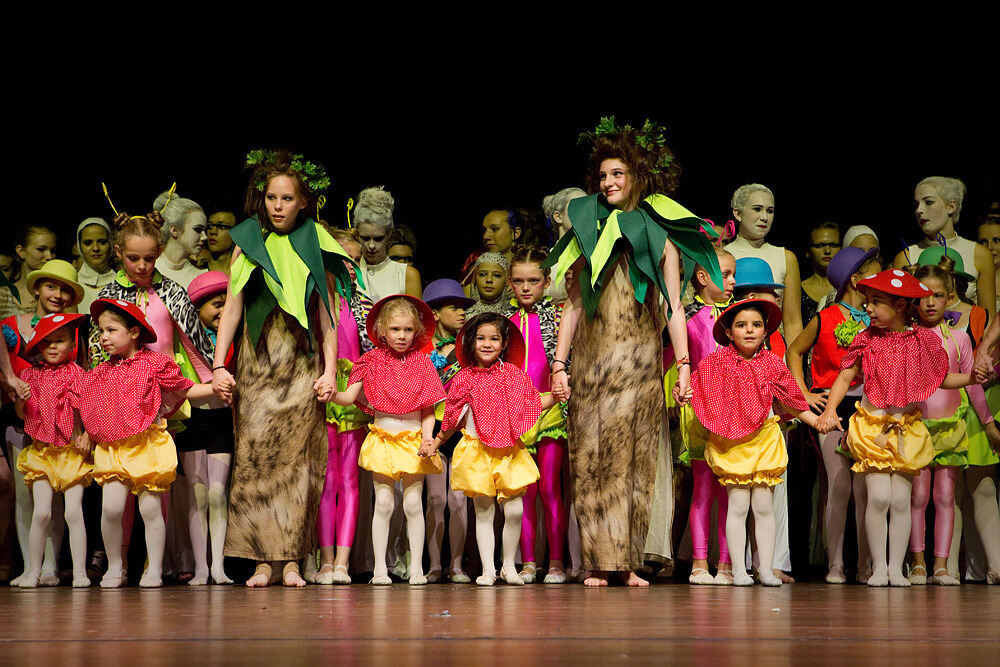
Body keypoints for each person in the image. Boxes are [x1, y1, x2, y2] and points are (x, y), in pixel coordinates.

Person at [546, 116, 721, 587]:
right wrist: (559, 364)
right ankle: (597, 562)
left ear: (638, 177)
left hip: (640, 361)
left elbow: (671, 307)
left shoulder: (659, 237)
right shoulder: (589, 233)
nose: (608, 183)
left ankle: (625, 562)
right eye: (602, 176)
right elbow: (574, 305)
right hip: (591, 361)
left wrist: (683, 369)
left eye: (617, 174)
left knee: (634, 460)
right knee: (591, 458)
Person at [211, 149, 352, 587]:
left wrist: (329, 371)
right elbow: (232, 310)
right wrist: (219, 365)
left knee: (297, 464)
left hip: (300, 365)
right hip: (258, 367)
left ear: (303, 202)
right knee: (256, 462)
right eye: (271, 197)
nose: (277, 206)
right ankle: (260, 562)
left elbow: (327, 317)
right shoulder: (247, 244)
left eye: (286, 198)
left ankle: (291, 560)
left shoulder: (317, 245)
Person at [817, 269, 977, 586]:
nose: (869, 309)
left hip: (906, 427)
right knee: (877, 497)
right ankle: (878, 567)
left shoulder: (924, 341)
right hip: (873, 425)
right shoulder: (866, 340)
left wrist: (973, 378)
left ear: (901, 305)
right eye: (868, 302)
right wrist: (831, 410)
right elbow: (845, 377)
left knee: (902, 500)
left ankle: (895, 568)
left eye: (877, 302)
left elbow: (942, 379)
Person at [81, 298, 214, 588]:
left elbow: (185, 389)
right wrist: (87, 434)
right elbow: (92, 408)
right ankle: (116, 566)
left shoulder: (155, 364)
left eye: (112, 330)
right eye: (101, 331)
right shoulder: (101, 372)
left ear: (133, 332)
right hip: (114, 448)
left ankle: (153, 568)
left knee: (150, 509)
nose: (104, 337)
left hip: (146, 446)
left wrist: (214, 387)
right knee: (112, 509)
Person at [690, 299, 823, 586]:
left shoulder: (773, 363)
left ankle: (765, 568)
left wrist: (816, 421)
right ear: (729, 332)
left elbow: (792, 400)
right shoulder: (716, 362)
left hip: (763, 440)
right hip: (733, 442)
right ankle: (738, 569)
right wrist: (683, 392)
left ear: (765, 331)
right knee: (738, 506)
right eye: (741, 325)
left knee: (763, 506)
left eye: (756, 325)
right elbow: (700, 390)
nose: (749, 331)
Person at [422, 313, 549, 586]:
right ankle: (489, 569)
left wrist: (558, 396)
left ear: (504, 343)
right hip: (477, 451)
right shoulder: (464, 377)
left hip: (507, 451)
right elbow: (452, 417)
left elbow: (534, 400)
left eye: (494, 338)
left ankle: (508, 566)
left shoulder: (513, 375)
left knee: (514, 510)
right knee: (484, 512)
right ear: (471, 343)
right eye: (481, 338)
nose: (487, 344)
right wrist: (437, 441)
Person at [329, 295, 444, 585]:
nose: (402, 336)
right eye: (395, 330)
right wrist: (330, 391)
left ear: (416, 330)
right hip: (382, 437)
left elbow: (429, 409)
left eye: (407, 330)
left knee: (413, 504)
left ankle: (417, 567)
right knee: (382, 503)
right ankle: (379, 568)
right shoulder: (369, 361)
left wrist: (428, 438)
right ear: (382, 330)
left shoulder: (422, 363)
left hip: (414, 438)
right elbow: (347, 398)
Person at [786, 247, 880, 583]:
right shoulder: (825, 318)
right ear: (856, 280)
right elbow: (794, 351)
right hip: (833, 407)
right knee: (840, 485)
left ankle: (868, 562)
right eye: (874, 274)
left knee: (865, 488)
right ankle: (836, 563)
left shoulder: (880, 321)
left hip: (870, 406)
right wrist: (803, 393)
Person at [909, 259, 1000, 585]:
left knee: (945, 497)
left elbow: (972, 384)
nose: (929, 302)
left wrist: (988, 422)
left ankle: (942, 565)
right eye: (922, 296)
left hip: (949, 427)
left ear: (949, 297)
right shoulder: (907, 339)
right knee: (918, 497)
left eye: (937, 295)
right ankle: (917, 562)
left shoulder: (959, 340)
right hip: (916, 428)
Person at [4, 259, 85, 587]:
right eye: (52, 286)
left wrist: (83, 434)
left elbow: (84, 407)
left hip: (70, 449)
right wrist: (21, 395)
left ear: (71, 343)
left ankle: (72, 571)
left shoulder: (76, 371)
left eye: (61, 341)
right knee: (37, 510)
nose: (54, 347)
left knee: (71, 512)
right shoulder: (29, 373)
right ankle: (32, 570)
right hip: (39, 448)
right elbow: (24, 414)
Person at [309, 228, 374, 585]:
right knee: (324, 480)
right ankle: (325, 557)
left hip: (353, 395)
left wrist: (360, 390)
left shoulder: (366, 306)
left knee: (348, 480)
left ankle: (343, 562)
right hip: (318, 393)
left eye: (354, 262)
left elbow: (374, 353)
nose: (348, 269)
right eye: (339, 261)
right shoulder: (315, 300)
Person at [504, 245, 571, 584]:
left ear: (547, 281)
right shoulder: (504, 322)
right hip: (516, 412)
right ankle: (529, 561)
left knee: (550, 489)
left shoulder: (559, 318)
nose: (526, 287)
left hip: (550, 412)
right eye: (518, 281)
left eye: (533, 280)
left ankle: (556, 561)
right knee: (524, 490)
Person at [172, 271, 235, 585]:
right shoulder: (184, 343)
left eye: (226, 303)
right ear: (196, 310)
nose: (222, 310)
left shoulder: (233, 340)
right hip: (193, 420)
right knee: (196, 496)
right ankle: (200, 567)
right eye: (215, 304)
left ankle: (219, 566)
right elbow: (181, 384)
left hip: (222, 420)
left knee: (216, 493)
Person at [422, 278, 473, 583]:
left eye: (464, 307)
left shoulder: (469, 347)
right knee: (435, 500)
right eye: (454, 307)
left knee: (459, 500)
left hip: (461, 426)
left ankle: (456, 565)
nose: (462, 313)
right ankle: (433, 565)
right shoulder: (421, 348)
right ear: (436, 313)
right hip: (432, 425)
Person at [895, 176, 995, 321]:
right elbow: (899, 319)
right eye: (916, 204)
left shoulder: (979, 254)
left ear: (951, 206)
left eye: (928, 202)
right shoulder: (906, 257)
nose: (919, 210)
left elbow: (989, 321)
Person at [725, 184, 803, 345]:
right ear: (737, 213)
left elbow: (793, 321)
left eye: (770, 211)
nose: (764, 217)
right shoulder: (723, 257)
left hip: (775, 351)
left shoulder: (785, 257)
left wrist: (793, 366)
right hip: (732, 353)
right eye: (757, 209)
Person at [355, 187, 421, 300]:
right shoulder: (348, 272)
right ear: (357, 233)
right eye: (365, 238)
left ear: (389, 233)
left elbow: (416, 317)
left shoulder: (407, 275)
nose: (371, 246)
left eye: (378, 239)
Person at [154, 189, 208, 288]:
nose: (205, 237)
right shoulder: (146, 270)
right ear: (174, 230)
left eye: (204, 230)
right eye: (197, 229)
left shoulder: (203, 278)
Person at [2, 226, 58, 319]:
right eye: (41, 249)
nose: (49, 256)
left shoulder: (59, 295)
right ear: (21, 251)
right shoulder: (3, 294)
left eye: (53, 251)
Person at [800, 222, 841, 329]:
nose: (827, 251)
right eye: (820, 245)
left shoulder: (849, 289)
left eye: (833, 245)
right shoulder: (797, 292)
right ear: (808, 251)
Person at [75, 218, 115, 314]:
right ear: (79, 246)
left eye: (102, 242)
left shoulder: (121, 283)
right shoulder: (72, 285)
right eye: (88, 243)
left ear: (111, 244)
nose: (95, 248)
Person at [465, 252, 510, 317]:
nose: (489, 280)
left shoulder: (514, 316)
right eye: (482, 274)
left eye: (496, 275)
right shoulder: (462, 317)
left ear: (507, 280)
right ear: (474, 278)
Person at [205, 211, 237, 275]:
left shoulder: (246, 272)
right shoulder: (197, 270)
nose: (213, 232)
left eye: (222, 226)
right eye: (210, 226)